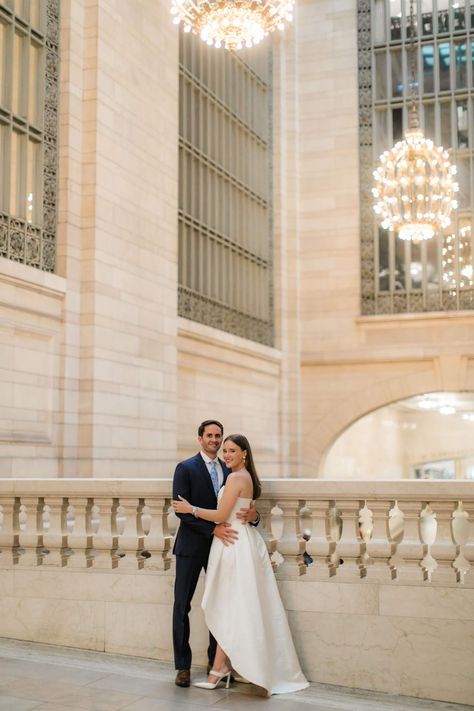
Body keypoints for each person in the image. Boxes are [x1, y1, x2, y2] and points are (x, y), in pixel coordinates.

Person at [173, 434, 309, 696]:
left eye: (231, 450)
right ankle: (221, 666)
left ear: (244, 453)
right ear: (200, 438)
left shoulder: (236, 476)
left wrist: (191, 508)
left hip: (233, 545)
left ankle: (219, 668)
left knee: (230, 604)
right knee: (233, 605)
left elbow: (222, 515)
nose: (226, 455)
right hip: (232, 542)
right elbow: (243, 507)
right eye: (225, 450)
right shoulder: (235, 474)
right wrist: (251, 514)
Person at [172, 420, 259, 688]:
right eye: (209, 435)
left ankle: (215, 662)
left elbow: (239, 508)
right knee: (182, 606)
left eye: (218, 435)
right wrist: (212, 531)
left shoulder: (230, 468)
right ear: (199, 439)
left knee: (221, 603)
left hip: (224, 548)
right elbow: (179, 508)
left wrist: (254, 516)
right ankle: (183, 667)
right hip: (192, 546)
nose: (214, 439)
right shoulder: (185, 468)